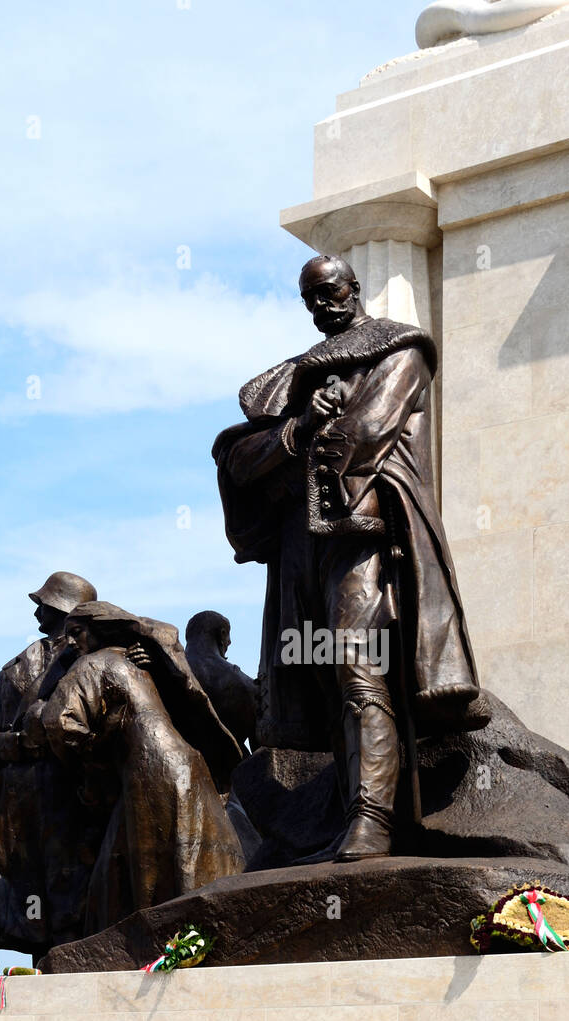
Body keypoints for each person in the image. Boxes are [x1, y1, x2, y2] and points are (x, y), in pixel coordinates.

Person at [213, 255, 487, 861]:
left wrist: (294, 449)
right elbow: (236, 458)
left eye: (330, 291)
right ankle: (347, 814)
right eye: (309, 297)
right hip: (301, 548)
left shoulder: (400, 348)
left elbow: (363, 432)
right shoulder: (293, 377)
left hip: (364, 535)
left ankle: (374, 821)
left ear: (354, 288)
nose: (321, 304)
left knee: (356, 663)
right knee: (320, 676)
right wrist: (297, 428)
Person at [40, 602, 245, 936]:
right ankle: (199, 936)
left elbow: (58, 721)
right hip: (187, 766)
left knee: (150, 870)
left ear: (100, 628)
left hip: (148, 770)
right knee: (185, 858)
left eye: (77, 632)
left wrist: (94, 754)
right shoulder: (140, 663)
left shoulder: (91, 664)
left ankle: (164, 940)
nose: (71, 642)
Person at [0, 572, 105, 960]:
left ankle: (70, 959)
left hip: (69, 786)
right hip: (18, 792)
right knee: (21, 885)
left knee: (73, 880)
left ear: (64, 609)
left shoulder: (95, 659)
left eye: (45, 604)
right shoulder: (15, 668)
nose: (37, 611)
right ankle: (42, 964)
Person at [184, 610, 258, 751]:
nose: (229, 642)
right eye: (228, 636)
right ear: (222, 634)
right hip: (231, 762)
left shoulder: (165, 671)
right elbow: (261, 750)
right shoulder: (246, 684)